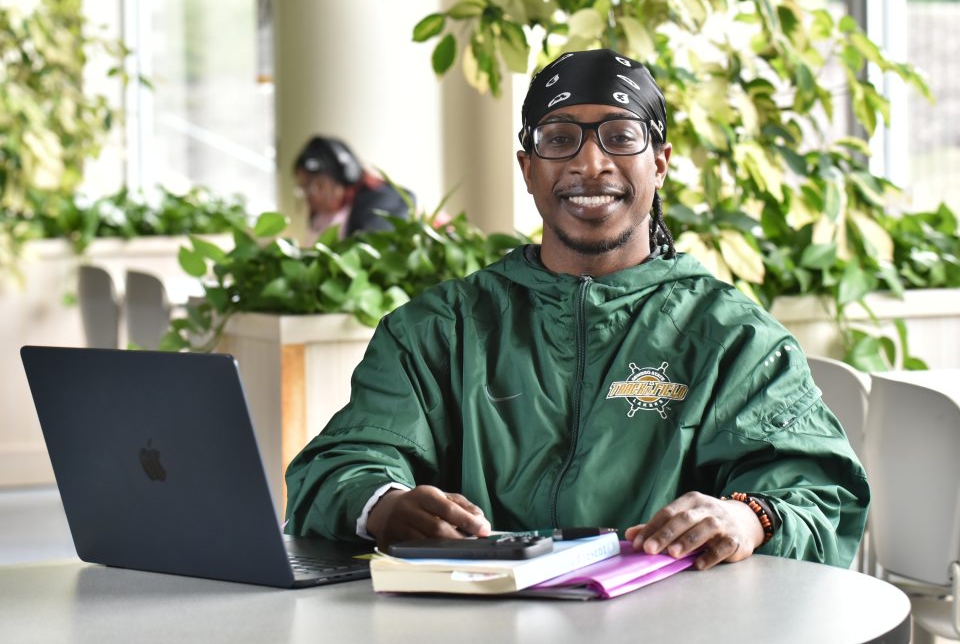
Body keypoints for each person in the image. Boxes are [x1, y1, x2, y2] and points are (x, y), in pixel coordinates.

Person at [284, 49, 869, 571]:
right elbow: (341, 463)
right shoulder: (440, 330)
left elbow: (817, 493)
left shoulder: (733, 337)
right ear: (528, 169)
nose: (591, 164)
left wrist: (746, 519)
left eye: (620, 136)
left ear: (659, 163)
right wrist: (382, 506)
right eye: (560, 139)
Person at [293, 135, 413, 239]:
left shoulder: (384, 202)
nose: (311, 196)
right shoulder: (321, 216)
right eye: (303, 188)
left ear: (345, 175)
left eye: (317, 185)